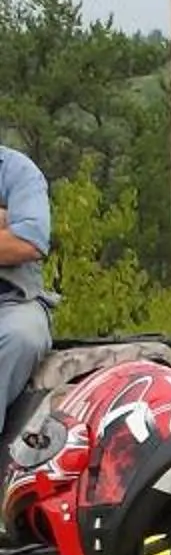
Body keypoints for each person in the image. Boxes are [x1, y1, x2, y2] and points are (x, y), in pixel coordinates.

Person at [0, 139, 53, 421]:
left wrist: (15, 231)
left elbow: (29, 242)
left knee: (23, 336)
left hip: (11, 302)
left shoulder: (18, 170)